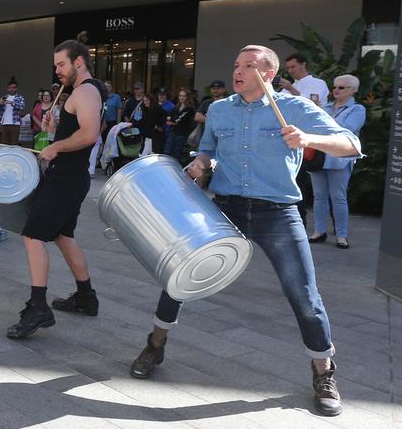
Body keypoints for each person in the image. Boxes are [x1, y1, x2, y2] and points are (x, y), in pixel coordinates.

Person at [127, 46, 361, 418]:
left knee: (304, 294)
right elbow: (207, 151)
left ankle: (324, 372)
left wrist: (308, 139)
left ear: (268, 74)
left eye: (248, 66)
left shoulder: (295, 107)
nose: (238, 71)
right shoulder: (220, 110)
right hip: (226, 206)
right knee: (179, 275)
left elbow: (351, 145)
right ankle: (155, 344)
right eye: (236, 65)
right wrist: (201, 164)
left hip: (278, 212)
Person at [6, 40, 103, 339]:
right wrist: (53, 130)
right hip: (72, 177)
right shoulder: (82, 92)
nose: (57, 70)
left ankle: (38, 308)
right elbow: (77, 131)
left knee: (34, 236)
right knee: (63, 236)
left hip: (66, 179)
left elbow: (90, 134)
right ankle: (86, 297)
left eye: (61, 64)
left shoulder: (86, 91)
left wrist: (56, 146)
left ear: (78, 62)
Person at [308, 75, 365, 249]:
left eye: (342, 87)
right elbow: (311, 125)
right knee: (319, 197)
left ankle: (342, 235)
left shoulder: (357, 109)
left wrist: (322, 119)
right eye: (335, 87)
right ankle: (319, 231)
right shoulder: (325, 107)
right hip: (319, 157)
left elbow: (348, 128)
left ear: (353, 90)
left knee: (338, 197)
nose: (336, 90)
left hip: (340, 158)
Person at [164, 89, 195, 164]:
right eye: (180, 96)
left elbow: (176, 119)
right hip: (173, 132)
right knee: (167, 153)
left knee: (176, 155)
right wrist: (171, 120)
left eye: (184, 96)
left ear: (188, 97)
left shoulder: (189, 108)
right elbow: (168, 117)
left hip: (181, 134)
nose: (181, 97)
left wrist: (171, 121)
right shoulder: (177, 107)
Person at [0, 80, 26, 147]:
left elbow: (22, 106)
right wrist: (0, 104)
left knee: (14, 144)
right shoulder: (4, 97)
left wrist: (11, 102)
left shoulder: (20, 97)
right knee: (4, 144)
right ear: (7, 88)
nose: (12, 89)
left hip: (15, 123)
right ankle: (6, 157)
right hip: (5, 123)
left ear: (16, 88)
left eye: (14, 87)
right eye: (10, 87)